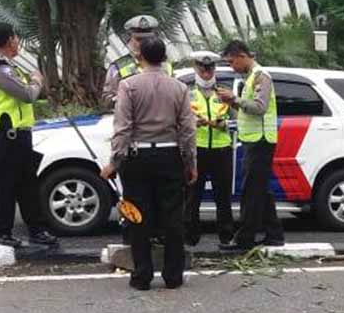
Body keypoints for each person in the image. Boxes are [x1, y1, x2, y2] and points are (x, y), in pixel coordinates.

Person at [101, 38, 197, 290]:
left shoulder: (129, 85)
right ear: (164, 57)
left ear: (139, 57)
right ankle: (173, 276)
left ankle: (142, 275)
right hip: (170, 156)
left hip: (137, 158)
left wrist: (114, 162)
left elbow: (122, 129)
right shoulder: (179, 88)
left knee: (138, 217)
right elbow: (187, 130)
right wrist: (190, 162)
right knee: (173, 217)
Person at [0, 23, 60, 249]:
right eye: (15, 38)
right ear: (9, 40)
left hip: (17, 134)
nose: (17, 42)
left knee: (28, 183)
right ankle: (1, 231)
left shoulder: (7, 66)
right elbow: (27, 95)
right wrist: (37, 81)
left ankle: (37, 229)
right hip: (4, 134)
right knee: (5, 184)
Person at [217, 39, 283, 249]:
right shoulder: (250, 77)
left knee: (251, 192)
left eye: (231, 62)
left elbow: (259, 107)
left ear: (241, 56)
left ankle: (245, 239)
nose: (231, 67)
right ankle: (274, 234)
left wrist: (234, 99)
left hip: (260, 141)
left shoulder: (261, 77)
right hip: (253, 140)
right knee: (261, 190)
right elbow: (248, 112)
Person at [184, 50, 235, 247]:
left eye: (210, 68)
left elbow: (236, 119)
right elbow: (178, 119)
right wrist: (193, 123)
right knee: (192, 196)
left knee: (222, 196)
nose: (206, 73)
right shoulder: (187, 92)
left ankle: (226, 236)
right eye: (202, 69)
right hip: (197, 149)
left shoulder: (224, 91)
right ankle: (190, 237)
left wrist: (223, 124)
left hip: (221, 149)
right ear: (195, 68)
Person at [101, 15, 174, 106]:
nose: (144, 43)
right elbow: (107, 99)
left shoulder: (166, 64)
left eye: (148, 39)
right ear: (129, 39)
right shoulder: (117, 68)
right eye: (139, 39)